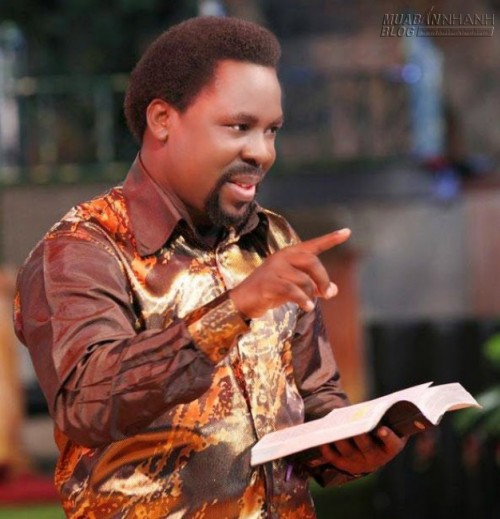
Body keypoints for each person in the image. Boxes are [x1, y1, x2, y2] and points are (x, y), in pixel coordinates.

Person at [14, 16, 405, 518]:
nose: (262, 152)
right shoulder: (82, 249)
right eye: (239, 127)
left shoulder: (273, 238)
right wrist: (235, 308)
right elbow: (87, 405)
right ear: (162, 119)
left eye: (271, 131)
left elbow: (314, 398)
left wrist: (351, 447)